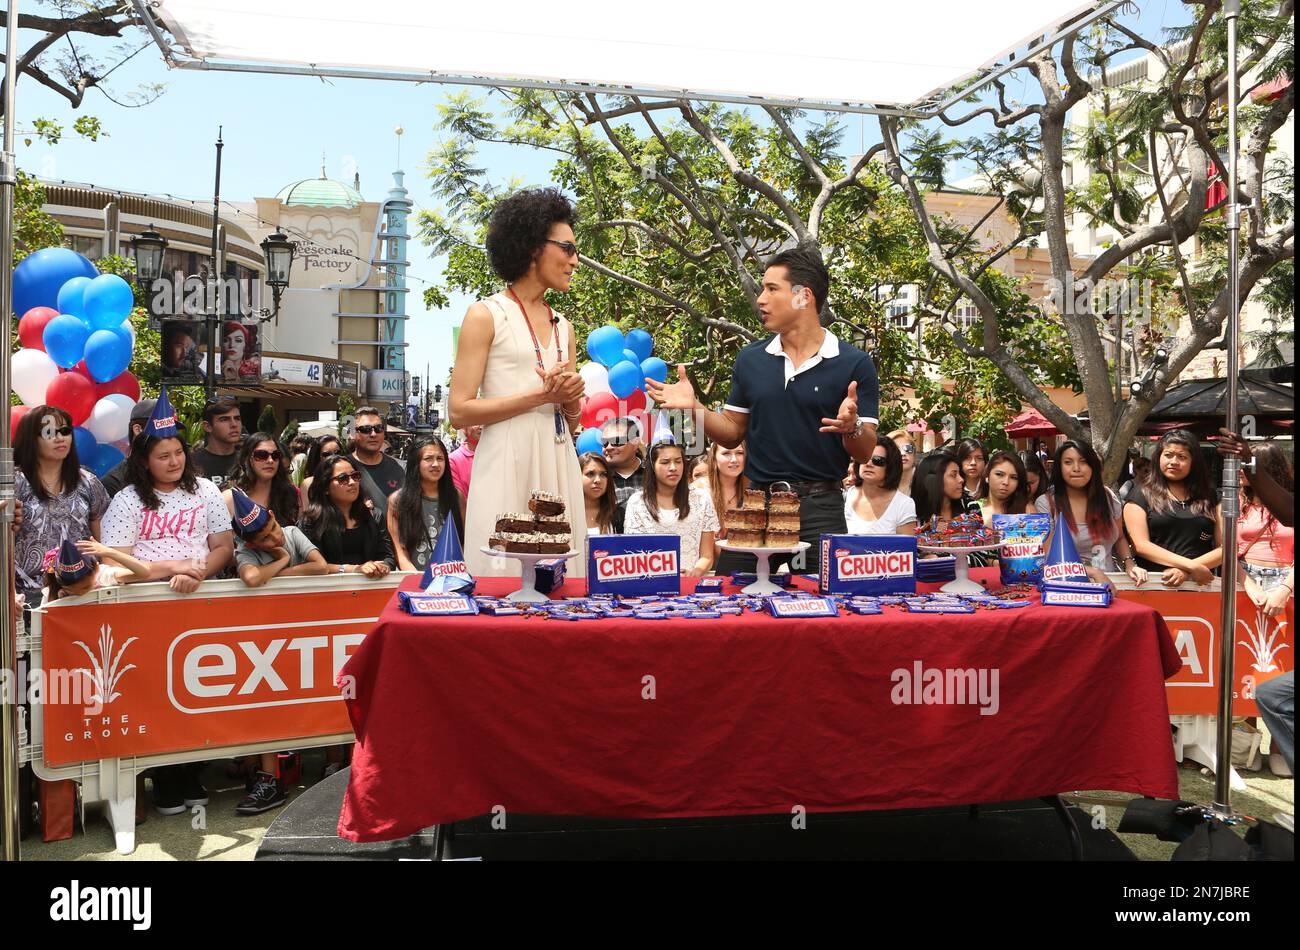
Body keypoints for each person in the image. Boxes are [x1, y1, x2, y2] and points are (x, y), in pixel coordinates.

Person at [646, 246, 878, 574]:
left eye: (771, 289)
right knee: (733, 599)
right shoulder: (750, 359)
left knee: (824, 607)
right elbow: (731, 433)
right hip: (755, 505)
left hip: (820, 509)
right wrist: (696, 407)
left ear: (803, 296)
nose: (760, 299)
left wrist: (851, 426)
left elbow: (866, 448)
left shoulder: (854, 362)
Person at [100, 392, 234, 814]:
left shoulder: (207, 491)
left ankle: (191, 769)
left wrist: (198, 573)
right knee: (154, 693)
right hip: (145, 611)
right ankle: (164, 777)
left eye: (178, 452)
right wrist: (172, 567)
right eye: (163, 455)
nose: (174, 461)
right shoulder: (126, 500)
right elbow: (114, 564)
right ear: (144, 460)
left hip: (197, 607)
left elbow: (223, 547)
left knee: (196, 692)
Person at [449, 187, 587, 577]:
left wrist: (570, 399)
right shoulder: (485, 314)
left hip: (558, 458)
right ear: (532, 247)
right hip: (506, 458)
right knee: (502, 579)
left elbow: (571, 423)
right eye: (567, 248)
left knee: (564, 584)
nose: (575, 261)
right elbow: (459, 411)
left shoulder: (565, 327)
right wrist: (539, 396)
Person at [228, 489, 327, 814]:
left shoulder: (293, 532)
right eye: (266, 537)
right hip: (265, 640)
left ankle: (335, 765)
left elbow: (320, 566)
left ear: (272, 515)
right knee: (267, 704)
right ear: (252, 544)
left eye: (272, 526)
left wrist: (281, 570)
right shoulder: (246, 552)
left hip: (308, 631)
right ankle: (269, 780)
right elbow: (252, 578)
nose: (275, 536)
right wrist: (283, 559)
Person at [1219, 428, 1295, 803]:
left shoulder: (1285, 502)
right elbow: (1229, 547)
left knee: (1281, 671)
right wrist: (1248, 583)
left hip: (1286, 589)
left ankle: (1281, 752)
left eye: (1256, 467)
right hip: (1250, 587)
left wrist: (1285, 587)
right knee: (1257, 677)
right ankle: (1245, 746)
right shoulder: (1239, 502)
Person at [12, 406, 111, 609]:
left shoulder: (88, 481)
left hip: (86, 591)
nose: (60, 438)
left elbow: (104, 542)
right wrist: (9, 594)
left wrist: (108, 582)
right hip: (27, 595)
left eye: (65, 431)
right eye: (49, 432)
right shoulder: (15, 482)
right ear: (31, 439)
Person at [1036, 440, 1147, 585]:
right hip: (1067, 588)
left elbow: (1120, 538)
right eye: (1068, 462)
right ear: (1059, 468)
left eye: (1083, 462)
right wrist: (1094, 572)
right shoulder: (1046, 504)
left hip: (1110, 585)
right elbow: (1050, 558)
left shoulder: (1107, 496)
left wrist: (1130, 564)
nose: (1076, 468)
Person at [1122, 429, 1222, 587]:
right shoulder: (1140, 494)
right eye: (1168, 455)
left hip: (1200, 586)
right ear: (1158, 458)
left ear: (1193, 462)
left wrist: (1185, 571)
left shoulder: (1210, 496)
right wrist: (1190, 566)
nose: (1174, 461)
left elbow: (1225, 548)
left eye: (1182, 457)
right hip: (1153, 585)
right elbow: (1140, 545)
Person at [623, 441, 718, 575]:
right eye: (665, 462)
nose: (673, 467)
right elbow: (635, 555)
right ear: (652, 466)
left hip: (692, 583)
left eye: (678, 461)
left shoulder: (702, 498)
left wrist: (695, 572)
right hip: (652, 583)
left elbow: (707, 556)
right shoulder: (637, 502)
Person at [300, 455, 395, 577]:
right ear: (325, 488)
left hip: (371, 586)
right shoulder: (311, 521)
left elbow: (388, 556)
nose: (352, 482)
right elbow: (311, 564)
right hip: (329, 590)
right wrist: (353, 569)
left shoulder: (374, 516)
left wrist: (382, 567)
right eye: (343, 478)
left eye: (355, 476)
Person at [388, 437, 466, 572]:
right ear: (416, 463)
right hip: (414, 582)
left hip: (452, 581)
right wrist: (417, 581)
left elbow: (462, 543)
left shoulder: (457, 497)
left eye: (440, 459)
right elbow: (400, 553)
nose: (435, 464)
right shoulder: (398, 501)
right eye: (428, 459)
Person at [1235, 441, 1293, 620]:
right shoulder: (1235, 502)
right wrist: (1248, 584)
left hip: (1287, 580)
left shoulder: (1289, 505)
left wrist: (1284, 590)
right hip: (1245, 578)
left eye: (1246, 465)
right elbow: (1226, 551)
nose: (1239, 469)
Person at [222, 432, 301, 528]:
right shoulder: (231, 498)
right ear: (247, 459)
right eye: (261, 455)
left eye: (275, 455)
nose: (270, 460)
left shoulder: (290, 493)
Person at [844, 438, 917, 536]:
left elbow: (906, 547)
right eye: (865, 458)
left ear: (891, 466)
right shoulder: (846, 497)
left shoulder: (904, 504)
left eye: (877, 460)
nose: (869, 464)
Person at [41, 537, 149, 601]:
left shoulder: (103, 576)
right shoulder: (52, 592)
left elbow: (144, 573)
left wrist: (110, 552)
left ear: (97, 567)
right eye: (72, 590)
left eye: (86, 587)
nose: (80, 592)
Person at [346, 407, 406, 521]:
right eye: (365, 429)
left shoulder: (402, 468)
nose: (373, 434)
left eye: (378, 428)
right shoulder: (342, 468)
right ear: (353, 433)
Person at [99, 398, 157, 497]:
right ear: (138, 429)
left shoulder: (179, 473)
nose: (169, 436)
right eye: (160, 428)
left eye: (172, 429)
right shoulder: (113, 482)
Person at [192, 397, 244, 488]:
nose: (234, 424)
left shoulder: (248, 460)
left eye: (237, 418)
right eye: (224, 419)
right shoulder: (192, 463)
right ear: (207, 426)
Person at [911, 451, 967, 530]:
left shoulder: (968, 507)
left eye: (960, 474)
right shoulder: (911, 515)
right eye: (953, 475)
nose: (961, 480)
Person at [600, 416, 645, 507]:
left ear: (635, 443)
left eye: (616, 441)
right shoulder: (598, 477)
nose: (608, 447)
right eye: (605, 443)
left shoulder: (654, 473)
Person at [979, 450, 1034, 519]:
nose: (1006, 482)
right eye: (999, 474)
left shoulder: (1027, 511)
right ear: (987, 475)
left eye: (1013, 477)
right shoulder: (973, 509)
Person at [579, 452, 621, 536]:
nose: (598, 480)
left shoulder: (618, 514)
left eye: (603, 474)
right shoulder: (566, 512)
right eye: (590, 474)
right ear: (577, 475)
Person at [299, 434, 342, 506]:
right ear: (316, 457)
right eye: (327, 455)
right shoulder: (309, 483)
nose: (333, 457)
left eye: (337, 453)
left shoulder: (350, 478)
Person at [448, 425, 481, 498]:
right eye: (476, 422)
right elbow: (460, 500)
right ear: (464, 429)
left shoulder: (499, 454)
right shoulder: (453, 460)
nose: (481, 427)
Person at [954, 438, 987, 505]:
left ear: (985, 462)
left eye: (979, 458)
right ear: (960, 461)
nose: (973, 463)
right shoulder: (953, 489)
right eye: (967, 458)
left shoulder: (991, 489)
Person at [888, 428, 917, 495]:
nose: (902, 453)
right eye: (896, 449)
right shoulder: (877, 482)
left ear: (914, 453)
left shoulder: (926, 481)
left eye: (908, 448)